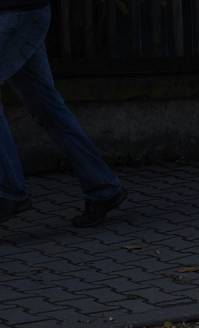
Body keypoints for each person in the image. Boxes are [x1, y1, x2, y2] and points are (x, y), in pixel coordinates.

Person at [0, 1, 126, 227]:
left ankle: (9, 191)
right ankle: (104, 188)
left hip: (18, 14)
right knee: (47, 107)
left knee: (48, 107)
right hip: (21, 14)